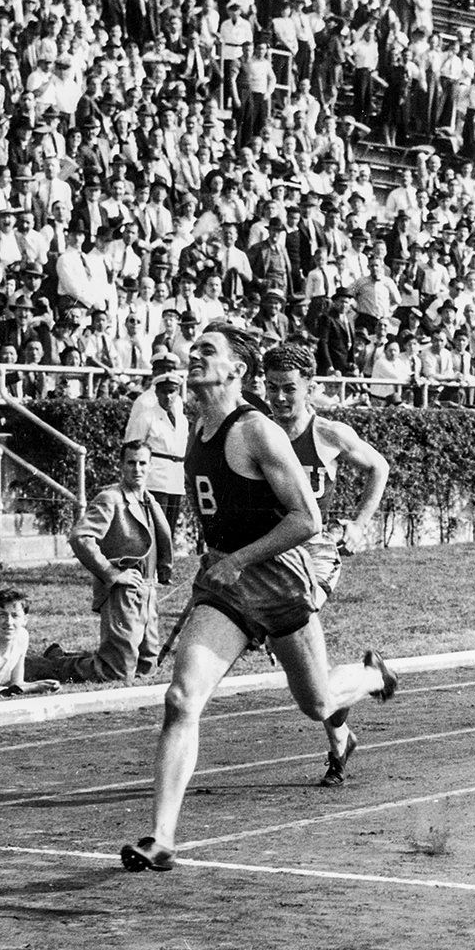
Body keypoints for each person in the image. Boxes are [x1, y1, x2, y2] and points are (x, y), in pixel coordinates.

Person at [123, 325, 397, 873]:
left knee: (317, 704)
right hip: (224, 586)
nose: (194, 356)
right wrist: (214, 554)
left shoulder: (256, 431)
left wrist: (238, 559)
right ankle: (161, 839)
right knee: (180, 699)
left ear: (235, 370)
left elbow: (307, 518)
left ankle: (371, 677)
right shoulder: (193, 426)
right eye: (192, 348)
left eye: (208, 352)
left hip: (277, 579)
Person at [261, 343, 392, 784]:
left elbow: (378, 467)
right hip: (270, 554)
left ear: (311, 388)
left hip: (315, 554)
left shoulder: (327, 433)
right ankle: (346, 727)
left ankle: (369, 679)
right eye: (272, 388)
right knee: (310, 680)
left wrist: (359, 523)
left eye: (289, 389)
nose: (279, 398)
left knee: (288, 627)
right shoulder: (257, 432)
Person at [35, 443, 174, 684]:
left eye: (143, 463)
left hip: (148, 590)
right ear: (121, 466)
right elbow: (80, 537)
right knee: (116, 671)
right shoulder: (110, 499)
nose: (137, 469)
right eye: (131, 462)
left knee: (146, 666)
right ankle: (50, 665)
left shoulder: (151, 502)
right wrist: (112, 572)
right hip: (124, 591)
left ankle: (60, 657)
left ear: (150, 466)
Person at [124, 355, 189, 533]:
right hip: (155, 477)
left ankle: (167, 561)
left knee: (170, 529)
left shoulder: (181, 415)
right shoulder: (145, 406)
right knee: (154, 527)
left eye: (172, 391)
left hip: (175, 478)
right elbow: (133, 442)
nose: (168, 396)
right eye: (164, 391)